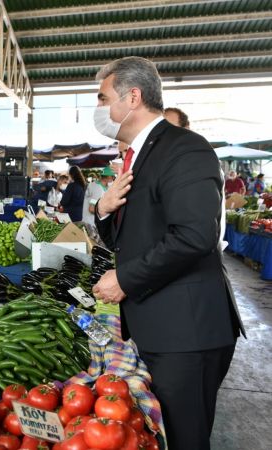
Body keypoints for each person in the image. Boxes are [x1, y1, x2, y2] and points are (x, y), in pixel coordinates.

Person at [91, 56, 243, 450]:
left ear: (133, 97)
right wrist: (102, 210)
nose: (99, 108)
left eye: (103, 97)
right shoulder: (139, 155)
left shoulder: (185, 150)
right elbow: (132, 234)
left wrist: (125, 278)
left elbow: (194, 237)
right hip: (162, 323)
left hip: (187, 330)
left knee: (185, 438)